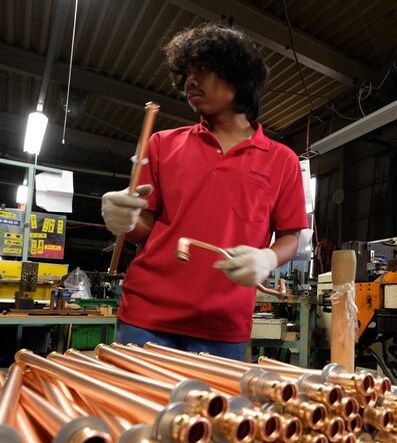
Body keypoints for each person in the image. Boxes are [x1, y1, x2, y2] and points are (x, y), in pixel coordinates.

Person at [101, 24, 307, 361]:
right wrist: (124, 218)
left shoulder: (282, 160)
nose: (190, 81)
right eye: (186, 73)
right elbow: (144, 230)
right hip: (148, 316)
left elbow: (290, 237)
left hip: (223, 324)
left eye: (203, 69)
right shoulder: (162, 143)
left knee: (212, 400)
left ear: (239, 76)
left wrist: (268, 258)